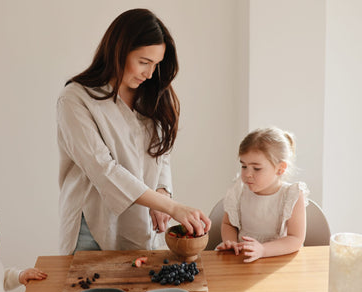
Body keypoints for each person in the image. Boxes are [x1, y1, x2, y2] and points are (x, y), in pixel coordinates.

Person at [57, 8, 210, 255]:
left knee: (140, 290)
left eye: (155, 65)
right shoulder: (75, 99)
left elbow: (161, 152)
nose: (149, 74)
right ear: (119, 50)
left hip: (141, 221)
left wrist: (162, 192)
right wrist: (172, 207)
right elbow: (103, 169)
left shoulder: (151, 95)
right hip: (92, 226)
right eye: (144, 62)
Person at [217, 127, 309, 263]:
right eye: (244, 166)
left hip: (278, 258)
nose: (247, 173)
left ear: (280, 168)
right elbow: (228, 224)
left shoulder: (292, 195)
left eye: (256, 168)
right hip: (243, 257)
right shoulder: (239, 191)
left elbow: (295, 239)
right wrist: (231, 242)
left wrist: (263, 250)